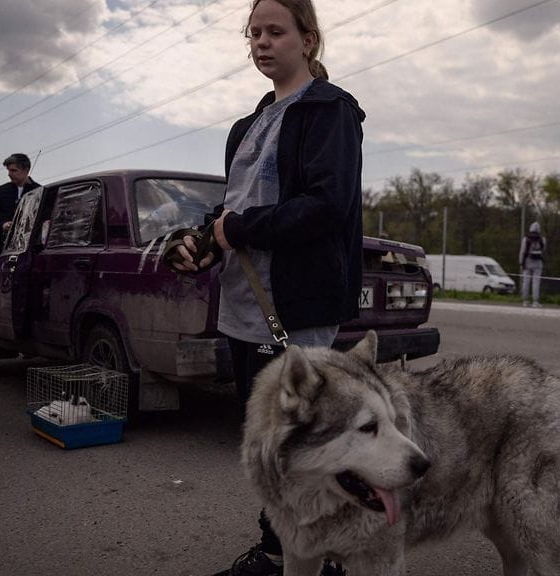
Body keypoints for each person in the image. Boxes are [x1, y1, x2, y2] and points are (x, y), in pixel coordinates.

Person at [169, 2, 363, 574]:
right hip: (242, 305)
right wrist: (202, 243)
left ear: (309, 39)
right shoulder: (246, 126)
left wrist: (240, 229)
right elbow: (232, 209)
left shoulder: (330, 111)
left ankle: (306, 558)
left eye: (276, 31)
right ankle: (282, 549)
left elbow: (327, 207)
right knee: (267, 443)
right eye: (253, 33)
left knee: (301, 441)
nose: (261, 42)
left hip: (295, 306)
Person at [0, 153, 39, 251]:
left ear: (26, 170)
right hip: (1, 247)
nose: (9, 174)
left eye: (14, 170)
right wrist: (2, 226)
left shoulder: (38, 191)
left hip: (29, 248)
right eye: (8, 170)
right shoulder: (1, 191)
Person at [519, 221, 545, 308]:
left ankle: (525, 301)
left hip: (527, 262)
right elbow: (543, 249)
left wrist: (521, 262)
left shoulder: (525, 239)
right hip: (538, 263)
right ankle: (535, 301)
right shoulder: (542, 239)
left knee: (526, 281)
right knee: (536, 282)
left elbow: (522, 251)